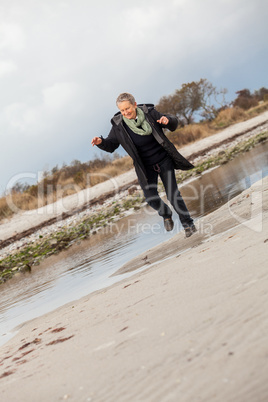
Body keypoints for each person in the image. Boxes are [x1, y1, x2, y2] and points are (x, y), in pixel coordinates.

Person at [91, 92, 196, 238]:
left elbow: (173, 124)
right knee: (151, 198)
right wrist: (101, 143)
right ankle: (166, 214)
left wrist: (168, 121)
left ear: (134, 105)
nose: (125, 112)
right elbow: (111, 145)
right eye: (122, 110)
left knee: (173, 195)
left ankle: (188, 225)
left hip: (164, 160)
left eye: (128, 108)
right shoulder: (118, 125)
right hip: (144, 167)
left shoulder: (150, 113)